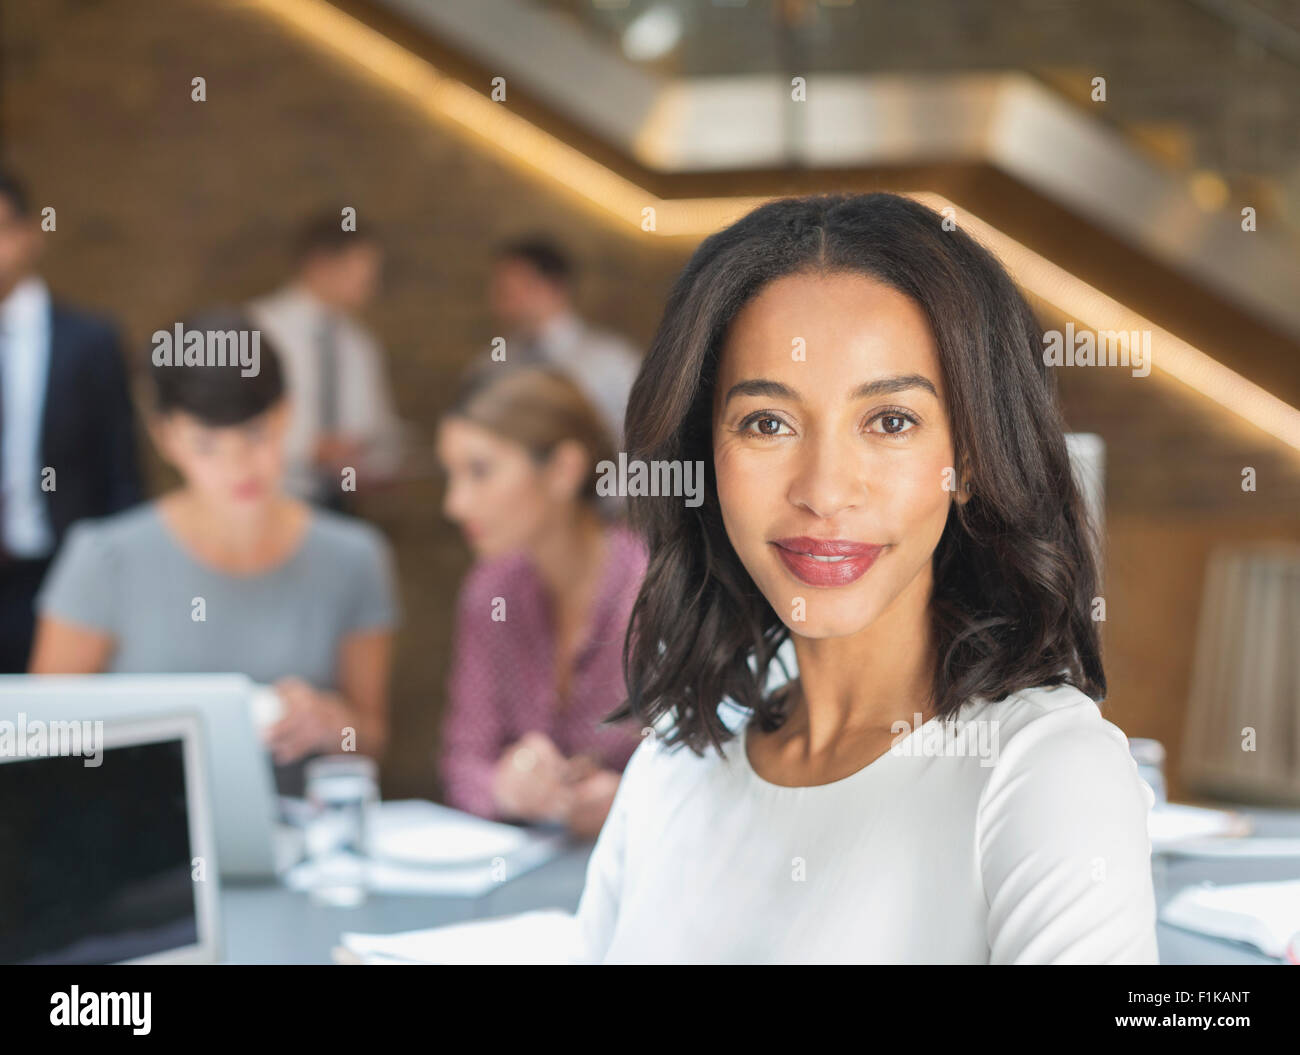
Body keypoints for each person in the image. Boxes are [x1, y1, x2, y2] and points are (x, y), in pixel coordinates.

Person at [414, 192, 1160, 964]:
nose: (825, 489)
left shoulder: (1044, 775)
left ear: (969, 460)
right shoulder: (671, 769)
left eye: (891, 420)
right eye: (767, 423)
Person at [29, 308, 399, 796]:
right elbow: (40, 743)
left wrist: (334, 723)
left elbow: (370, 740)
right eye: (206, 446)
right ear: (165, 438)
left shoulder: (354, 558)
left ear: (286, 414)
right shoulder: (104, 560)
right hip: (142, 847)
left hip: (302, 845)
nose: (237, 466)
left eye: (254, 435)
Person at [436, 366, 647, 838]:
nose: (455, 504)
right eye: (451, 475)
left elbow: (716, 775)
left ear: (563, 469)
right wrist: (504, 787)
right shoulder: (491, 592)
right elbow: (461, 762)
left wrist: (633, 801)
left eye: (479, 471)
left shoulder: (658, 593)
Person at [0, 168, 142, 672]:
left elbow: (122, 474)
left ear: (29, 234)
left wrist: (121, 586)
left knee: (51, 735)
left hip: (60, 576)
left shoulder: (90, 341)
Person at [247, 213, 405, 509]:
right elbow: (233, 423)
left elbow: (378, 427)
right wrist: (310, 449)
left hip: (341, 503)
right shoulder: (256, 330)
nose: (371, 286)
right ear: (320, 265)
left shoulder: (360, 343)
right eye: (362, 273)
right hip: (272, 500)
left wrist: (378, 463)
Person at [482, 236, 640, 447]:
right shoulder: (493, 362)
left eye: (509, 289)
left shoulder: (614, 361)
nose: (498, 300)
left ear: (553, 287)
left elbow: (644, 441)